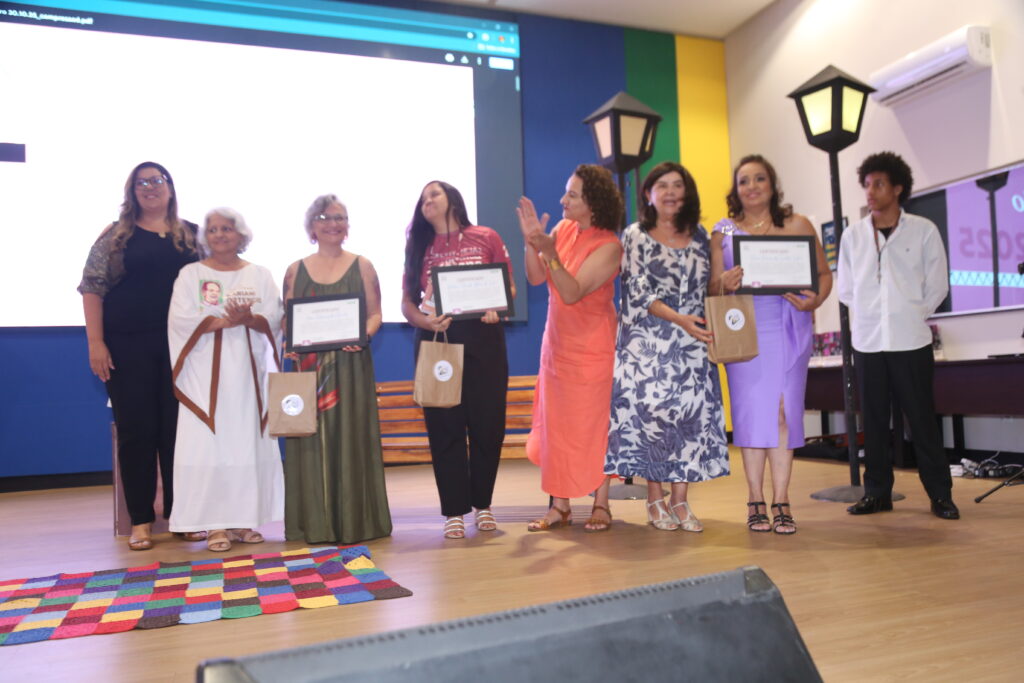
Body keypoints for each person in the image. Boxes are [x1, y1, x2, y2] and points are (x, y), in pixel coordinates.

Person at [79, 161, 201, 551]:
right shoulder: (116, 236)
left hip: (182, 349)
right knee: (137, 433)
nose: (150, 187)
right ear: (132, 192)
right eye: (141, 183)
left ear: (170, 187)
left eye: (157, 180)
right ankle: (142, 521)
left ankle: (182, 518)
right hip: (126, 347)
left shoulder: (193, 236)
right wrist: (96, 343)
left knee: (178, 433)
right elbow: (92, 287)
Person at [710, 154, 832, 535]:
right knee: (751, 415)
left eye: (759, 178)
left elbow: (824, 274)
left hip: (789, 324)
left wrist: (814, 301)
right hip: (744, 328)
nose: (752, 187)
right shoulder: (723, 231)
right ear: (736, 190)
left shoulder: (798, 224)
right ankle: (754, 498)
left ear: (772, 184)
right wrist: (723, 283)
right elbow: (711, 287)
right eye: (744, 181)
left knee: (783, 413)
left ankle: (781, 500)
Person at [605, 162, 730, 532]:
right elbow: (637, 290)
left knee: (689, 419)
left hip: (694, 343)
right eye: (663, 185)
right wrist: (679, 319)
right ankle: (654, 499)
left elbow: (711, 289)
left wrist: (724, 273)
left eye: (678, 185)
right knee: (654, 421)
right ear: (649, 194)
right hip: (648, 344)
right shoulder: (635, 235)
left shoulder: (701, 235)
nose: (672, 192)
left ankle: (680, 500)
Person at [838, 152, 959, 520]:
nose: (870, 191)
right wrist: (872, 314)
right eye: (867, 184)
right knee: (873, 422)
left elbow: (937, 284)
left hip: (911, 341)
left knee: (921, 421)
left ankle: (940, 495)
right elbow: (846, 288)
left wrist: (910, 313)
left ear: (897, 188)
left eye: (878, 184)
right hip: (868, 343)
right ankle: (877, 494)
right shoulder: (853, 236)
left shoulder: (923, 230)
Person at [167, 208, 285, 552]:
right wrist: (223, 322)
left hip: (248, 377)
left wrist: (249, 318)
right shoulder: (191, 275)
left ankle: (243, 520)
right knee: (210, 446)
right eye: (213, 229)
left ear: (241, 235)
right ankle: (214, 524)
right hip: (205, 378)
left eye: (227, 229)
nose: (220, 235)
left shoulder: (259, 274)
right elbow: (180, 319)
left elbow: (274, 316)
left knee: (245, 442)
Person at [401, 181, 513, 540]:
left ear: (452, 198)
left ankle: (483, 504)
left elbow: (508, 288)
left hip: (484, 339)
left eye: (433, 194)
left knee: (487, 426)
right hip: (437, 339)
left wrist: (497, 308)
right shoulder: (418, 245)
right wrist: (424, 321)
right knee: (444, 427)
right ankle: (453, 510)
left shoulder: (486, 236)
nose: (427, 201)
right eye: (422, 199)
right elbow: (407, 302)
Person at [517, 164, 623, 532]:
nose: (563, 200)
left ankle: (601, 504)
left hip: (593, 350)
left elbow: (572, 291)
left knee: (595, 428)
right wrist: (531, 243)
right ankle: (559, 507)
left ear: (593, 203)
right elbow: (535, 277)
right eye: (566, 192)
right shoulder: (562, 229)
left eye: (572, 195)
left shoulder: (610, 246)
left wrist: (551, 254)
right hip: (556, 346)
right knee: (557, 428)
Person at [282, 194, 393, 543]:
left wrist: (364, 335)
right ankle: (314, 523)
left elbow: (375, 314)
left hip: (350, 367)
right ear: (311, 226)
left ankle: (357, 522)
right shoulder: (294, 270)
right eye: (324, 217)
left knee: (351, 439)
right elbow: (288, 320)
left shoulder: (363, 266)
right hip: (309, 372)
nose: (333, 223)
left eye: (340, 217)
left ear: (347, 226)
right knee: (311, 443)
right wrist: (291, 343)